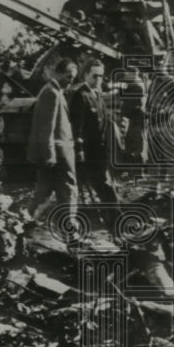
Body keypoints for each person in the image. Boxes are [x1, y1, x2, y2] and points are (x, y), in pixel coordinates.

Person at [26, 59, 80, 244]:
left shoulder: (54, 91)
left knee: (44, 192)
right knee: (68, 189)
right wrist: (49, 154)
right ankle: (69, 231)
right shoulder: (51, 93)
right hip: (58, 152)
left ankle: (25, 223)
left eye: (73, 78)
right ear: (58, 73)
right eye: (68, 76)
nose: (70, 80)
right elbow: (45, 127)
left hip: (56, 151)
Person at [68, 59, 122, 230]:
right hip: (90, 152)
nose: (99, 79)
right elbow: (77, 127)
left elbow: (104, 122)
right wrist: (80, 152)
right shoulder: (80, 95)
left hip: (101, 150)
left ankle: (113, 219)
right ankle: (115, 220)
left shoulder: (97, 93)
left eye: (101, 76)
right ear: (85, 75)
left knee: (105, 185)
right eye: (94, 75)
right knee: (104, 185)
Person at [147, 55, 174, 198]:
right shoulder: (153, 82)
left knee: (171, 157)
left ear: (166, 64)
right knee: (153, 157)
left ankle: (172, 189)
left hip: (168, 122)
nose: (158, 66)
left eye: (161, 63)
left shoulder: (172, 82)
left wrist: (166, 109)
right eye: (156, 63)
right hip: (154, 122)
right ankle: (153, 188)